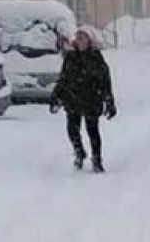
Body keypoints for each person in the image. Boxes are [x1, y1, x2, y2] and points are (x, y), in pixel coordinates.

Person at [50, 25, 116, 172]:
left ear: (89, 41)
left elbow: (105, 81)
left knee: (92, 131)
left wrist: (109, 101)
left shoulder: (96, 58)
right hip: (73, 98)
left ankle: (97, 160)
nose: (79, 41)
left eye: (83, 38)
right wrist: (56, 96)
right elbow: (63, 78)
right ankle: (79, 153)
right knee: (72, 130)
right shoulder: (70, 57)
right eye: (78, 38)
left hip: (92, 99)